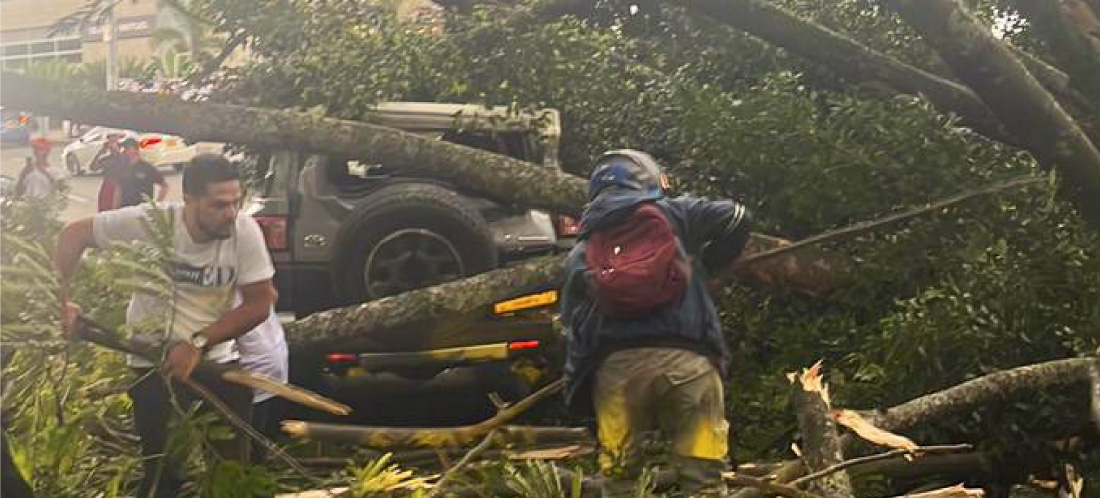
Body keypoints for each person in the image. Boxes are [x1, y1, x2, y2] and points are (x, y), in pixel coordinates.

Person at [54, 154, 277, 498]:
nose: (230, 213)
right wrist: (61, 303)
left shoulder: (243, 232)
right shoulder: (149, 223)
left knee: (234, 471)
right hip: (151, 361)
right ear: (188, 200)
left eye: (236, 202)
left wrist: (198, 342)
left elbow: (260, 302)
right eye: (218, 205)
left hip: (215, 362)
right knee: (161, 473)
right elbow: (74, 234)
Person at [559, 149, 753, 497]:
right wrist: (710, 264)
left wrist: (578, 391)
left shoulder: (583, 247)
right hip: (689, 364)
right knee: (704, 477)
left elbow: (573, 329)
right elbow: (737, 216)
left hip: (618, 373)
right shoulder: (676, 214)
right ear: (649, 177)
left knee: (620, 480)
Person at [233, 292, 289, 463]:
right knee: (260, 439)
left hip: (252, 367)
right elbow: (272, 295)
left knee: (244, 444)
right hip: (273, 360)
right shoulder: (250, 277)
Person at [113, 138, 169, 208]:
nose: (123, 151)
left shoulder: (147, 167)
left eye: (126, 148)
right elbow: (119, 189)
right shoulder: (122, 167)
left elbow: (164, 185)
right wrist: (115, 208)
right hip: (125, 207)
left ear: (134, 149)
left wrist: (157, 204)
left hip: (143, 208)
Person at [94, 131, 126, 212]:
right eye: (111, 138)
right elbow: (93, 167)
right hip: (107, 185)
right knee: (104, 209)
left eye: (115, 137)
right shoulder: (106, 158)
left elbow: (126, 164)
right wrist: (101, 151)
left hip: (120, 185)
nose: (112, 142)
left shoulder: (124, 154)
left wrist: (118, 151)